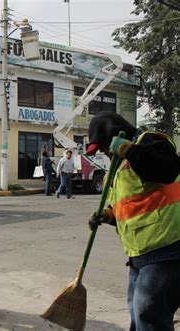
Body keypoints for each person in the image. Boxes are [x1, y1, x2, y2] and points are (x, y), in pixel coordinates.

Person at [86, 111, 180, 331]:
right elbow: (130, 204)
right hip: (139, 255)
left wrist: (128, 149)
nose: (103, 152)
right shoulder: (121, 165)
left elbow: (168, 169)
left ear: (111, 136)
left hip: (166, 248)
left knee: (148, 312)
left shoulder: (150, 142)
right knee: (138, 314)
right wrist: (109, 215)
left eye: (101, 147)